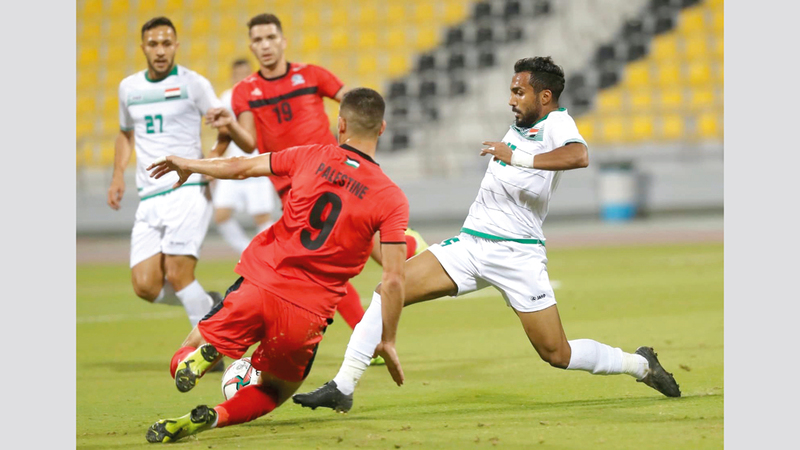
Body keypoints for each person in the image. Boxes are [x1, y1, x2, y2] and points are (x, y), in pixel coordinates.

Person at [292, 56, 681, 414]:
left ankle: (639, 364)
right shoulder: (524, 123)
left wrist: (517, 157)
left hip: (517, 255)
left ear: (545, 96)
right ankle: (343, 386)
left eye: (519, 92)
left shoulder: (558, 124)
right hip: (471, 244)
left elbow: (579, 156)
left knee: (556, 353)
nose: (511, 99)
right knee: (387, 291)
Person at [144, 88, 409, 443]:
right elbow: (393, 280)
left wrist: (190, 164)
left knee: (184, 354)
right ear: (382, 128)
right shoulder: (391, 198)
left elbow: (240, 168)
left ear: (341, 124)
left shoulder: (309, 155)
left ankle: (201, 356)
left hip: (260, 283)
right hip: (307, 314)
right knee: (274, 392)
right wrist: (387, 339)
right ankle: (213, 417)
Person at [204, 13, 422, 337]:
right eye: (258, 40)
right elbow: (248, 142)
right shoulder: (245, 91)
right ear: (251, 46)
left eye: (270, 38)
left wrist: (369, 125)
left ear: (283, 41)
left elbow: (354, 101)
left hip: (336, 177)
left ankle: (413, 255)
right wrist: (230, 125)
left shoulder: (311, 75)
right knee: (327, 265)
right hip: (294, 189)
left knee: (343, 260)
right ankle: (374, 326)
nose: (265, 45)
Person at [107, 16, 224, 330]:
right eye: (153, 44)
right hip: (149, 196)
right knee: (145, 285)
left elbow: (225, 125)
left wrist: (214, 158)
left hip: (187, 188)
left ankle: (207, 346)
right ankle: (210, 305)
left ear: (176, 46)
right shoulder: (128, 88)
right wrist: (117, 174)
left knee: (177, 273)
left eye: (166, 43)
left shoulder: (193, 84)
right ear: (143, 47)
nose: (160, 50)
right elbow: (125, 134)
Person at [212, 58, 278, 254]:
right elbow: (223, 133)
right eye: (238, 75)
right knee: (221, 215)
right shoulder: (226, 98)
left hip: (257, 163)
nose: (241, 78)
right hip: (233, 163)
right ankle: (247, 252)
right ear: (232, 77)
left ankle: (269, 255)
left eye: (245, 74)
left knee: (262, 217)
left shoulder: (263, 96)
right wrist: (214, 159)